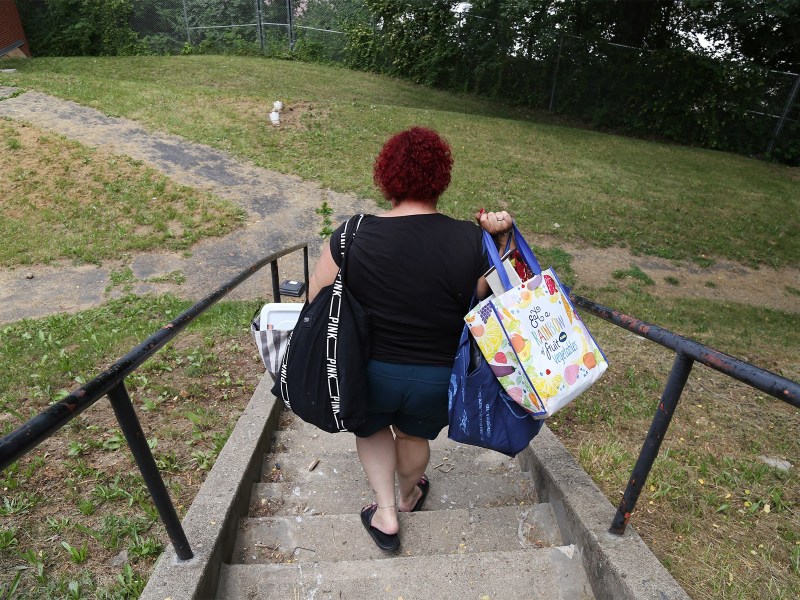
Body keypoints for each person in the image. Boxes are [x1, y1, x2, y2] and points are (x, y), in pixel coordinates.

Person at [307, 127, 512, 551]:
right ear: (442, 178)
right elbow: (491, 296)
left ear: (387, 177)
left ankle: (385, 515)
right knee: (414, 437)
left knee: (372, 430)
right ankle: (408, 496)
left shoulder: (352, 234)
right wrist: (501, 239)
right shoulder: (471, 240)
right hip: (437, 379)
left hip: (368, 372)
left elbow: (315, 302)